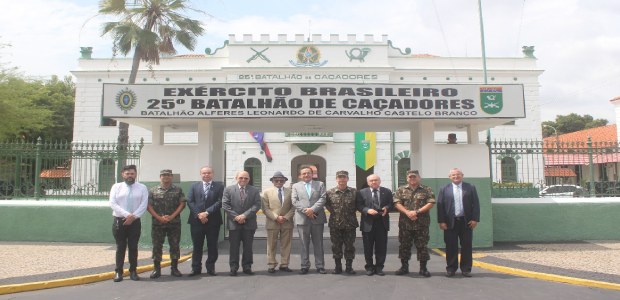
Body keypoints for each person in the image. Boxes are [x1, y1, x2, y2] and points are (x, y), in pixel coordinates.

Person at [437, 168, 480, 277]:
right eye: (453, 175)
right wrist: (441, 221)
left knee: (466, 245)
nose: (456, 177)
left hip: (466, 222)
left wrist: (475, 219)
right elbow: (440, 206)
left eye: (458, 174)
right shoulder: (444, 189)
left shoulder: (470, 187)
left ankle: (466, 269)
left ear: (462, 175)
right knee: (451, 246)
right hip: (450, 222)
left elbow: (476, 204)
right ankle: (451, 268)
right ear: (449, 177)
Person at [109, 164, 149, 282]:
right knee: (120, 247)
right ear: (123, 174)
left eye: (132, 173)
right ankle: (118, 272)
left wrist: (134, 216)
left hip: (135, 221)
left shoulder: (142, 187)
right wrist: (127, 215)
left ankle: (133, 271)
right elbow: (112, 203)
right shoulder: (116, 187)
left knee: (133, 247)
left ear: (135, 174)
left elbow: (144, 204)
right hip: (119, 220)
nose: (130, 176)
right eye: (127, 174)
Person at [393, 170, 435, 277]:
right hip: (405, 224)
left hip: (421, 224)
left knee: (422, 246)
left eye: (414, 177)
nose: (412, 179)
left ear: (419, 178)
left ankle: (423, 268)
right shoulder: (401, 190)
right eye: (410, 177)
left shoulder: (426, 189)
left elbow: (431, 203)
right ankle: (404, 267)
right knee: (404, 246)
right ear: (407, 178)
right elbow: (397, 203)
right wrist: (407, 212)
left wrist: (416, 212)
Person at [147, 169, 186, 278]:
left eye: (168, 175)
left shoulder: (178, 190)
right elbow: (148, 206)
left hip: (174, 223)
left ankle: (174, 268)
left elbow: (182, 204)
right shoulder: (153, 190)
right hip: (157, 223)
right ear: (160, 177)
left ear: (171, 177)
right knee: (157, 246)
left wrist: (172, 216)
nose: (166, 177)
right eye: (163, 175)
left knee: (174, 245)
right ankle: (156, 269)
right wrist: (159, 217)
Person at [222, 170, 261, 276]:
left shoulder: (254, 190)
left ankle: (247, 267)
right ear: (236, 178)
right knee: (234, 247)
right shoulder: (229, 189)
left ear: (249, 179)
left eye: (246, 178)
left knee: (248, 247)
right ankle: (233, 267)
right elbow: (225, 205)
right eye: (241, 178)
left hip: (249, 223)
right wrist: (237, 217)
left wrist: (244, 216)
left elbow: (257, 205)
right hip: (234, 224)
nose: (243, 180)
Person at [186, 166, 224, 276]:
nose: (206, 175)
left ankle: (210, 268)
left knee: (212, 245)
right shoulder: (194, 186)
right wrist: (199, 214)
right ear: (200, 174)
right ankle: (196, 268)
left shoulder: (219, 187)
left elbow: (220, 202)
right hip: (196, 221)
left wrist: (206, 213)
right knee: (197, 245)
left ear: (213, 174)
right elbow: (190, 201)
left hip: (213, 221)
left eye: (208, 173)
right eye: (204, 173)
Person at [292, 166, 327, 274]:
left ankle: (320, 265)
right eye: (304, 173)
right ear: (300, 175)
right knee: (303, 243)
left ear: (312, 174)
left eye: (308, 173)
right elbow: (294, 200)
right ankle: (304, 265)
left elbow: (323, 198)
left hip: (317, 218)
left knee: (318, 243)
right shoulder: (295, 186)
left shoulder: (320, 184)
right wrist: (306, 211)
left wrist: (312, 210)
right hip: (302, 219)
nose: (306, 175)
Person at [356, 174, 393, 276]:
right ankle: (369, 267)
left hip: (382, 223)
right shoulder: (361, 192)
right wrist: (367, 210)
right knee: (368, 247)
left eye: (376, 180)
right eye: (371, 181)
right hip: (368, 223)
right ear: (368, 182)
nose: (374, 182)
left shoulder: (387, 191)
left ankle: (379, 267)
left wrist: (387, 208)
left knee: (381, 247)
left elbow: (391, 204)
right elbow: (359, 205)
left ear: (379, 181)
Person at [261, 171, 295, 273]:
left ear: (284, 181)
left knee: (286, 244)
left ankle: (284, 264)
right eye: (276, 180)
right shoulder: (266, 192)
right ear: (273, 181)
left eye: (281, 180)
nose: (279, 182)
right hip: (272, 222)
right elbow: (265, 208)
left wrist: (285, 217)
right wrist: (276, 217)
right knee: (271, 244)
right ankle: (271, 264)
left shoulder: (290, 192)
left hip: (287, 222)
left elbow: (293, 207)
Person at [325, 170, 358, 274]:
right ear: (336, 179)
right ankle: (337, 267)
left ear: (347, 179)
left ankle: (349, 267)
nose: (342, 180)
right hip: (335, 224)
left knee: (350, 246)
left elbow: (358, 205)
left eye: (344, 177)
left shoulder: (354, 192)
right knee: (336, 246)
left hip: (350, 224)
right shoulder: (330, 192)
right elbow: (328, 205)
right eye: (340, 177)